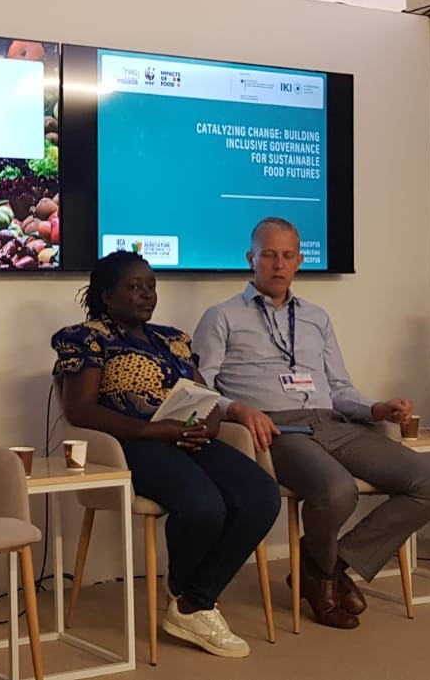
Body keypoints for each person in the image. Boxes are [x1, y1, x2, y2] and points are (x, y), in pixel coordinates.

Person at [192, 217, 430, 630]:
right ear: (251, 259)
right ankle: (324, 574)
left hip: (332, 422)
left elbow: (339, 387)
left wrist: (376, 409)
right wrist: (237, 410)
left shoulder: (317, 317)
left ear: (299, 261)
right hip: (276, 430)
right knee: (337, 491)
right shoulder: (221, 316)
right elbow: (200, 388)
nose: (278, 265)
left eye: (287, 256)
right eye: (269, 255)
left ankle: (324, 569)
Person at [53, 251, 280, 659]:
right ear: (106, 296)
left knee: (262, 494)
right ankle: (195, 602)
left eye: (151, 286)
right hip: (129, 445)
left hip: (185, 438)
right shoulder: (87, 337)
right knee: (204, 506)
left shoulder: (173, 339)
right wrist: (153, 430)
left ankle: (191, 597)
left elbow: (205, 398)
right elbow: (80, 410)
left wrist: (202, 427)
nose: (146, 294)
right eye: (134, 286)